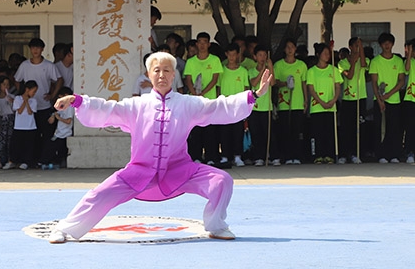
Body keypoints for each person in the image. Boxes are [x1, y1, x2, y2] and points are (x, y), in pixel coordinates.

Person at [47, 51, 272, 244]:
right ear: (148, 75)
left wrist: (254, 95)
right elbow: (107, 108)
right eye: (156, 70)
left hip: (179, 170)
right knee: (98, 194)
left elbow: (218, 106)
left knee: (222, 180)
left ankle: (216, 225)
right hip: (139, 172)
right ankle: (65, 229)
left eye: (166, 70)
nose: (161, 75)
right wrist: (77, 100)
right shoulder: (137, 105)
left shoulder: (187, 103)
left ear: (174, 75)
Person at [14, 38, 63, 150]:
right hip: (28, 106)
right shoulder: (24, 65)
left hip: (44, 105)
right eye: (33, 47)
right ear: (30, 49)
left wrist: (53, 95)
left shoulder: (49, 65)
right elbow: (17, 79)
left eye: (38, 47)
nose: (35, 50)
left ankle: (43, 159)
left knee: (45, 133)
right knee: (30, 134)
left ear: (42, 49)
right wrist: (23, 95)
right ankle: (31, 160)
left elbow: (59, 80)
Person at [183, 32, 223, 164]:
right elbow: (188, 79)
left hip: (209, 101)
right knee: (195, 130)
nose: (202, 45)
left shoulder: (214, 60)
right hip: (194, 101)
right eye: (199, 42)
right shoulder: (191, 61)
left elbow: (215, 79)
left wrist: (203, 92)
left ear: (209, 44)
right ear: (196, 44)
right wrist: (194, 93)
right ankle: (196, 157)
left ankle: (211, 157)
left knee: (210, 130)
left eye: (205, 42)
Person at [369, 33, 405, 163]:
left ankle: (394, 154)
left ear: (393, 44)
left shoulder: (398, 61)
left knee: (394, 128)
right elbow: (374, 82)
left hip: (394, 100)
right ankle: (381, 155)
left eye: (389, 42)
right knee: (380, 128)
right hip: (379, 101)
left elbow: (401, 81)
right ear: (380, 45)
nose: (387, 45)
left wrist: (389, 95)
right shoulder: (375, 62)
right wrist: (379, 100)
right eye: (384, 43)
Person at [306, 43, 343, 164]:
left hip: (331, 106)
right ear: (318, 54)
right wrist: (321, 102)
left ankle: (329, 155)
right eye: (325, 53)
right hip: (317, 107)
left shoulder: (334, 70)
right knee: (318, 132)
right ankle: (318, 155)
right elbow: (311, 89)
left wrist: (333, 101)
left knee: (329, 132)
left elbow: (338, 87)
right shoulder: (311, 71)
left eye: (328, 53)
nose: (327, 55)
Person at [274, 38, 308, 165]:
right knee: (285, 131)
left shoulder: (301, 65)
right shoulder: (278, 65)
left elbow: (304, 83)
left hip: (297, 102)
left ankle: (297, 156)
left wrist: (305, 100)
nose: (290, 49)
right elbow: (275, 82)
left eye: (292, 47)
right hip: (284, 103)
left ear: (295, 49)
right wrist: (285, 84)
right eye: (287, 47)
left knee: (297, 131)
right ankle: (287, 156)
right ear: (284, 49)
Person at [219, 43, 251, 167]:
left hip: (238, 106)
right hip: (225, 105)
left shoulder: (243, 71)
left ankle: (238, 156)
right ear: (226, 55)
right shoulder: (221, 70)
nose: (232, 57)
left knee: (238, 131)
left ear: (238, 55)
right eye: (229, 54)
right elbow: (218, 88)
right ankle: (225, 156)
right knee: (225, 132)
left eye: (234, 54)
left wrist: (246, 106)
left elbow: (246, 89)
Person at [337, 37, 367, 164]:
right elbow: (349, 75)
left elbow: (365, 65)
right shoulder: (342, 63)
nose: (357, 48)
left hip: (360, 97)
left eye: (359, 46)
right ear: (350, 47)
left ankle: (356, 153)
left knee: (358, 127)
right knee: (346, 128)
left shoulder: (363, 60)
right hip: (348, 98)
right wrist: (353, 62)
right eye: (355, 46)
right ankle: (344, 154)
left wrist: (360, 53)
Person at [247, 45, 275, 165]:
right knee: (256, 133)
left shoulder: (269, 71)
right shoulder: (251, 71)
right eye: (260, 55)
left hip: (267, 107)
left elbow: (272, 83)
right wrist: (262, 70)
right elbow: (253, 83)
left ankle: (272, 156)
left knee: (268, 133)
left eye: (264, 55)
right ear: (255, 57)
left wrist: (270, 68)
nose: (262, 58)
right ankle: (258, 157)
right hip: (255, 107)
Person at [39, 86, 74, 169]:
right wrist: (54, 116)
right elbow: (56, 113)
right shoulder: (63, 106)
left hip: (65, 133)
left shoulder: (70, 107)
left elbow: (69, 121)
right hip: (59, 133)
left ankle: (46, 162)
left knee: (53, 148)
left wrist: (58, 118)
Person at [12, 80, 39, 170]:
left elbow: (30, 112)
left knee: (29, 145)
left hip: (30, 126)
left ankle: (26, 161)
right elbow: (19, 111)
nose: (34, 93)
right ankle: (15, 161)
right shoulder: (17, 98)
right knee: (17, 144)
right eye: (33, 91)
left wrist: (27, 102)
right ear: (27, 89)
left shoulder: (34, 100)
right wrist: (24, 101)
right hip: (19, 126)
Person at [0, 75, 16, 170]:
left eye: (8, 84)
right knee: (0, 140)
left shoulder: (13, 97)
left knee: (10, 140)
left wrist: (13, 102)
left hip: (10, 119)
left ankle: (9, 160)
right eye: (4, 84)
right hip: (0, 120)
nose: (6, 87)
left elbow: (16, 110)